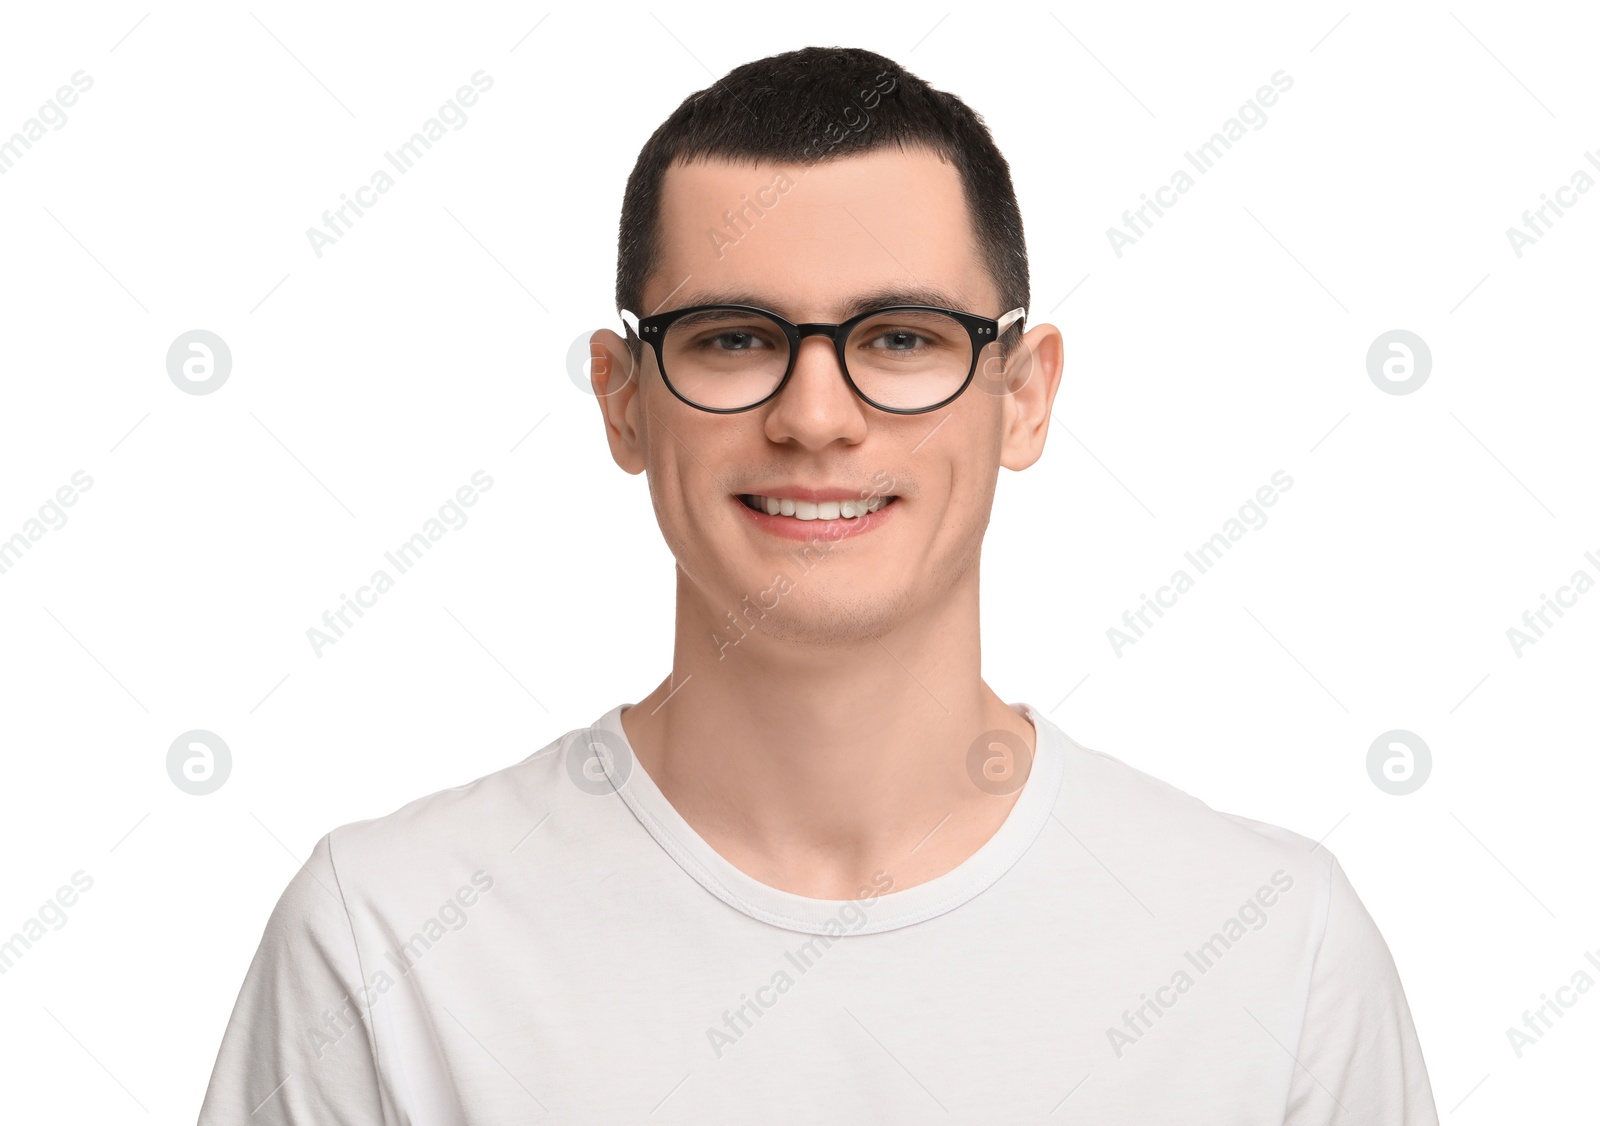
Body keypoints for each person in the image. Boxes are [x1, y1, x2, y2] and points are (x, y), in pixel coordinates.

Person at [198, 46, 1439, 1123]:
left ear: (1024, 394)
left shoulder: (1276, 949)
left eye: (900, 338)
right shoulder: (384, 943)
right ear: (622, 401)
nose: (814, 416)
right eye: (733, 337)